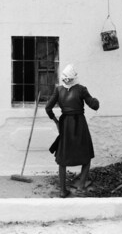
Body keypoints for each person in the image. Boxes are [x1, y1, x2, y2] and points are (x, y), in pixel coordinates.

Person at [45, 64, 100, 198]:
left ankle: (63, 191)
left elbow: (48, 108)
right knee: (86, 156)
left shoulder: (58, 90)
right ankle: (81, 187)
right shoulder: (81, 89)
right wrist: (96, 100)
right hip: (79, 123)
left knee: (63, 157)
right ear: (75, 78)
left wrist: (57, 122)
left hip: (65, 125)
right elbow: (94, 105)